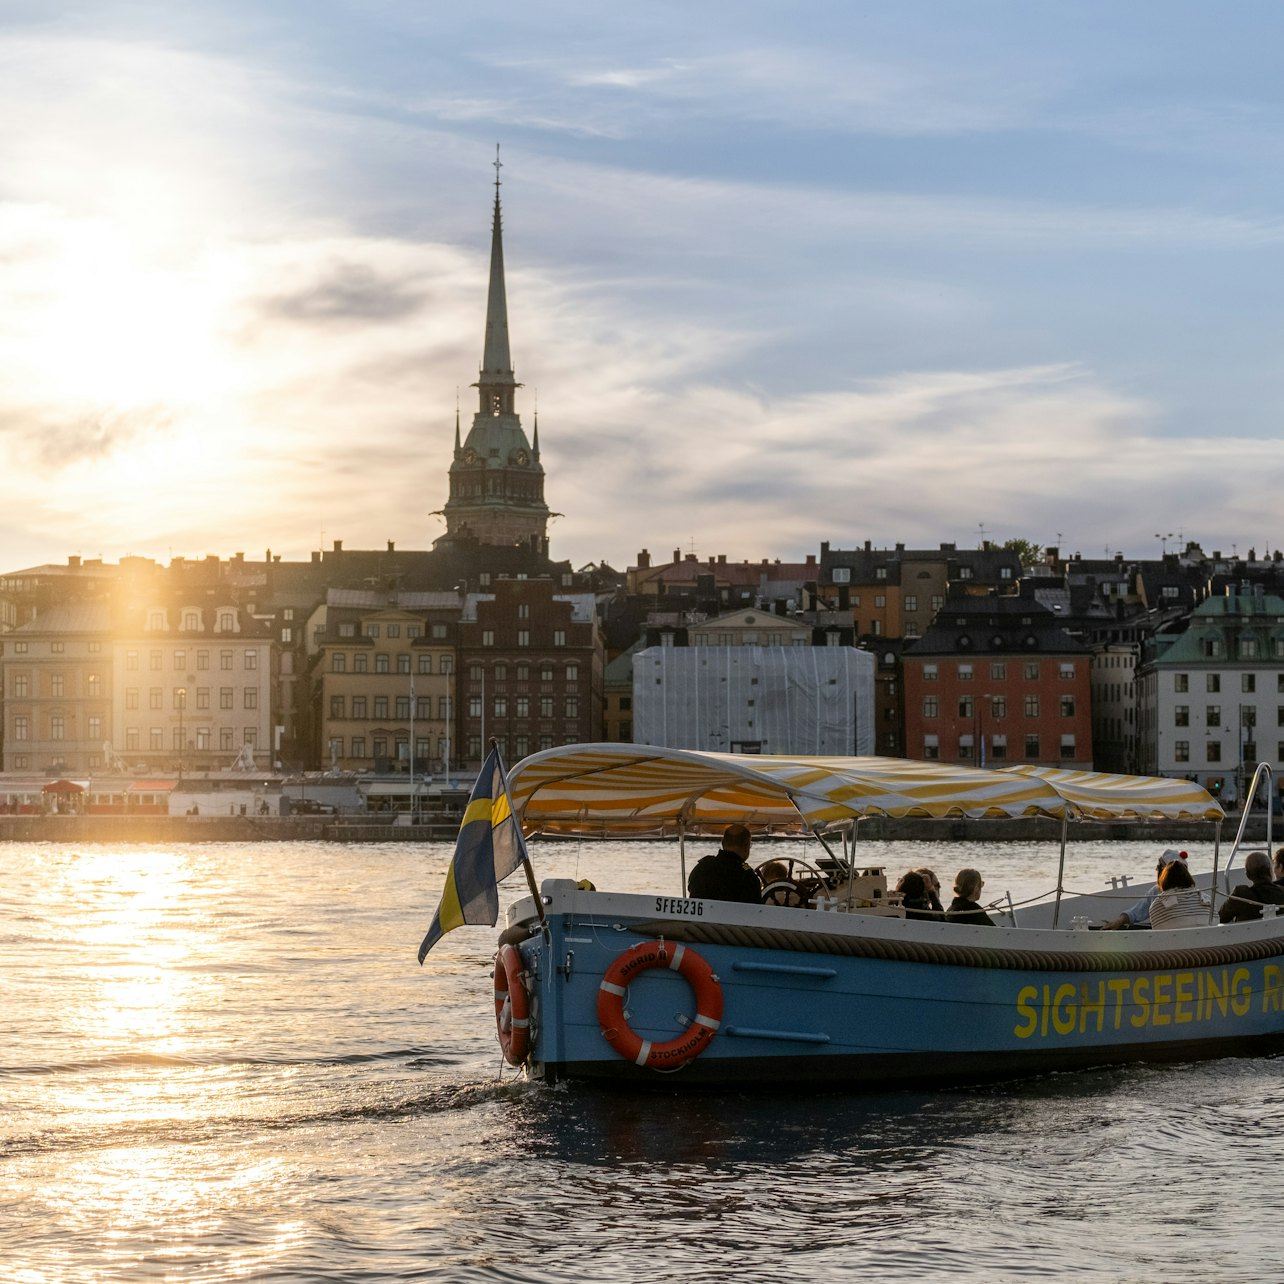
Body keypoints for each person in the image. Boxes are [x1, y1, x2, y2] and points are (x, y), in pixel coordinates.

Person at [1102, 849, 1187, 930]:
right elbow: (1136, 912)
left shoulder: (1158, 894)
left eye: (1158, 867)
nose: (1156, 869)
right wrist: (1119, 921)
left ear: (1164, 871)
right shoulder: (1157, 890)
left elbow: (1137, 912)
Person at [687, 823, 762, 904]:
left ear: (722, 843)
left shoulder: (702, 867)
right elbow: (756, 907)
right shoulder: (749, 876)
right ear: (747, 845)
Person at [1219, 850, 1284, 924]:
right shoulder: (1282, 892)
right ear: (1270, 871)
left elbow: (1221, 918)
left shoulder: (1240, 894)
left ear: (1247, 875)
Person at [1148, 860, 1210, 930]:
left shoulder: (1156, 905)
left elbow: (1157, 931)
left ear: (1164, 880)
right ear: (1188, 877)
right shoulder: (1208, 900)